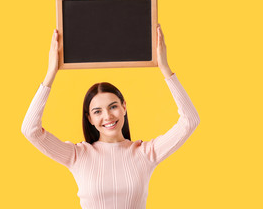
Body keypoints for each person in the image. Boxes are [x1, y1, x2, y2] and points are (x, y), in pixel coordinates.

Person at [21, 24, 200, 209]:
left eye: (113, 106)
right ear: (89, 118)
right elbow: (30, 130)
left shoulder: (145, 153)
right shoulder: (78, 155)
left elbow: (190, 121)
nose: (107, 116)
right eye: (97, 111)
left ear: (124, 107)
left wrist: (165, 67)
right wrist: (51, 73)